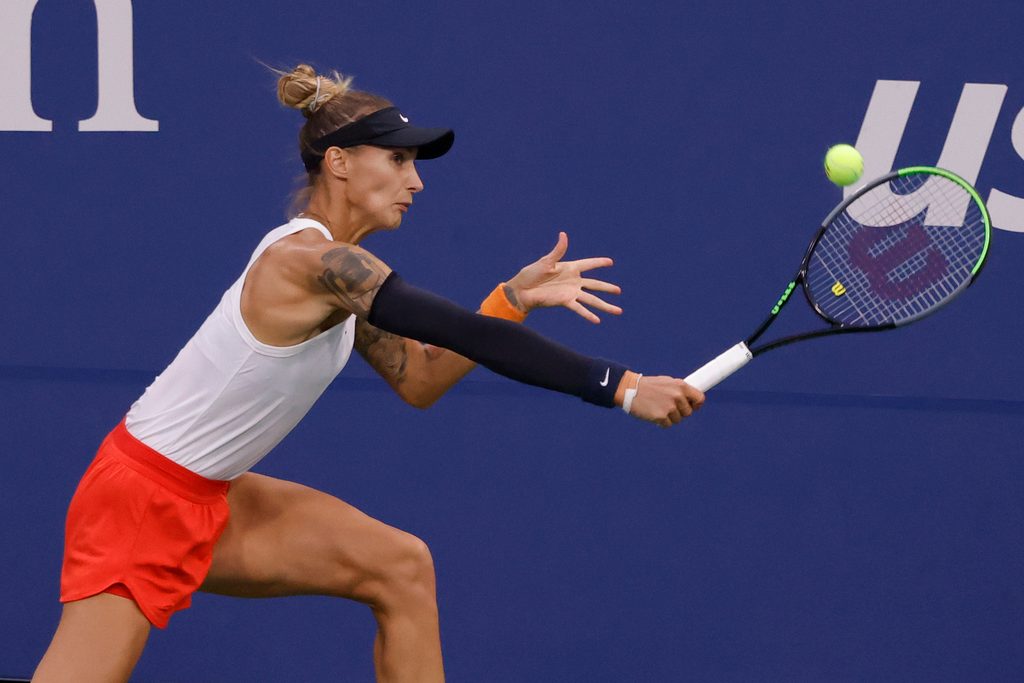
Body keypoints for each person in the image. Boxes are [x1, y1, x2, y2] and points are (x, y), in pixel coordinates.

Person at [32, 64, 705, 683]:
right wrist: (622, 385)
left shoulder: (340, 276)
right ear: (341, 162)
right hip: (138, 502)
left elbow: (419, 379)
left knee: (400, 566)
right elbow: (455, 330)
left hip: (214, 494)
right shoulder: (312, 263)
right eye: (400, 159)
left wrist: (512, 300)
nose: (416, 180)